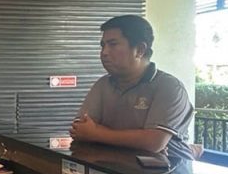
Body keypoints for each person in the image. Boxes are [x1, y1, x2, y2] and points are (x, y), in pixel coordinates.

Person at [71, 15, 195, 161]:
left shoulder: (169, 87)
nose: (104, 52)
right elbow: (80, 129)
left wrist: (96, 133)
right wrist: (136, 138)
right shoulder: (103, 84)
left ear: (140, 50)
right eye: (103, 45)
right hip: (116, 167)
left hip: (169, 171)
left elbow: (153, 142)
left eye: (113, 44)